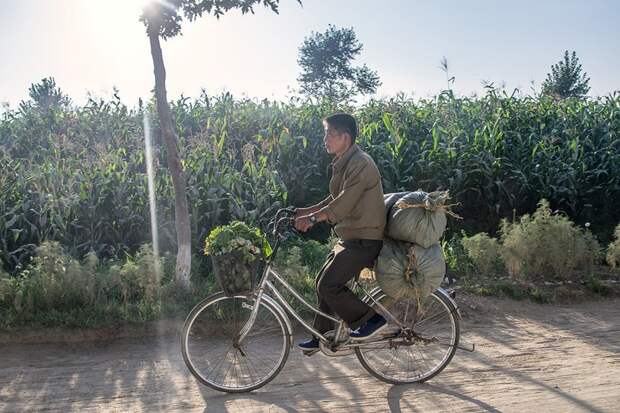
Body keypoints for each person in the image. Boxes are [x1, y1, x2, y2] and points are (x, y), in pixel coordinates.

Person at [294, 113, 387, 352]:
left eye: (329, 134)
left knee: (329, 285)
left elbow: (343, 204)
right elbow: (333, 198)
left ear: (345, 137)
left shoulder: (361, 163)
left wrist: (312, 219)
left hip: (366, 239)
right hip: (352, 237)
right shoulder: (345, 162)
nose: (325, 139)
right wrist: (303, 211)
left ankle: (372, 319)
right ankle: (323, 335)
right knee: (322, 282)